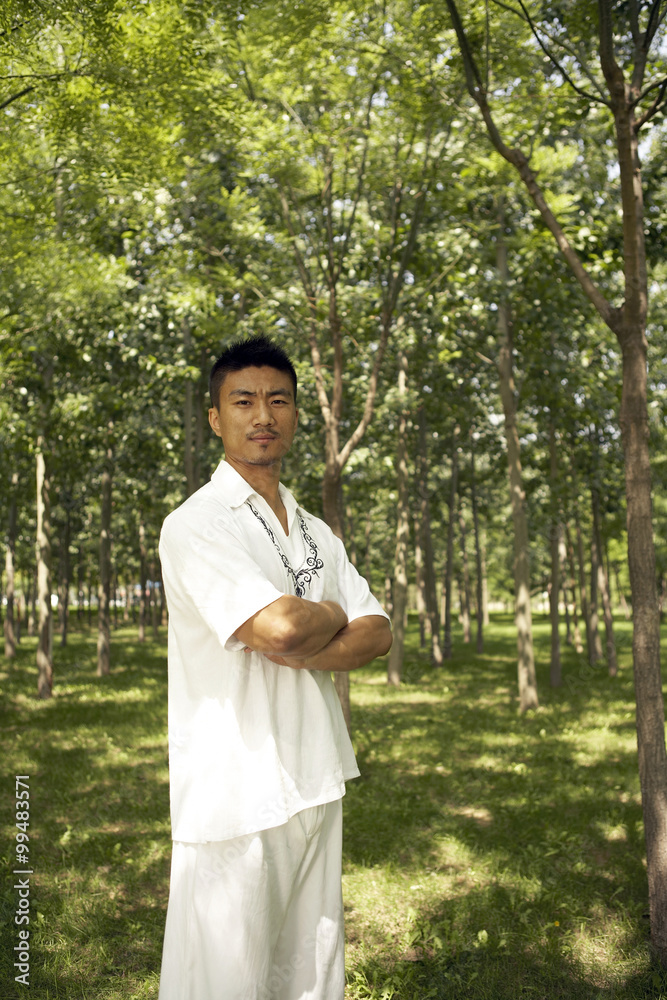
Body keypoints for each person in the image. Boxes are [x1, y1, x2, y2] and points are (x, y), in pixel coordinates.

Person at [158, 335, 392, 1000]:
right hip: (235, 786)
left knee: (309, 974)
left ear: (295, 414)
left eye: (278, 400)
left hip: (315, 774)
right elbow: (281, 627)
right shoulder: (197, 523)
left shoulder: (315, 531)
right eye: (243, 400)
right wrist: (320, 617)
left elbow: (376, 632)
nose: (262, 414)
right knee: (226, 979)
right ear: (215, 418)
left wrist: (296, 631)